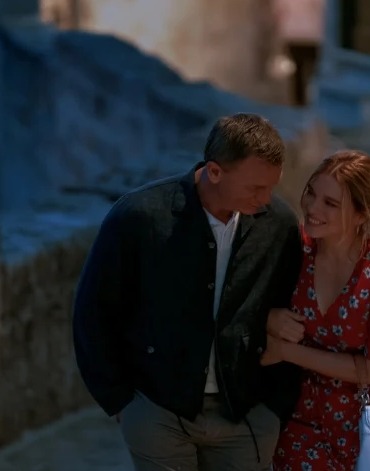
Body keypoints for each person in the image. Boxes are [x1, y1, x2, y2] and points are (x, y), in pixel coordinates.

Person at [71, 113, 304, 471]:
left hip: (246, 417)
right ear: (215, 172)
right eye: (255, 188)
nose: (265, 199)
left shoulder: (280, 225)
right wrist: (122, 403)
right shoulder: (139, 217)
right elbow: (93, 311)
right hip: (158, 412)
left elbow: (294, 307)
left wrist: (274, 409)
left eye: (271, 187)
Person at [263, 150, 370, 471]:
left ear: (361, 214)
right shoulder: (293, 248)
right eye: (311, 193)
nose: (312, 208)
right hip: (295, 413)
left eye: (330, 203)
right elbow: (247, 303)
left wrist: (285, 351)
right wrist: (269, 319)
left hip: (361, 423)